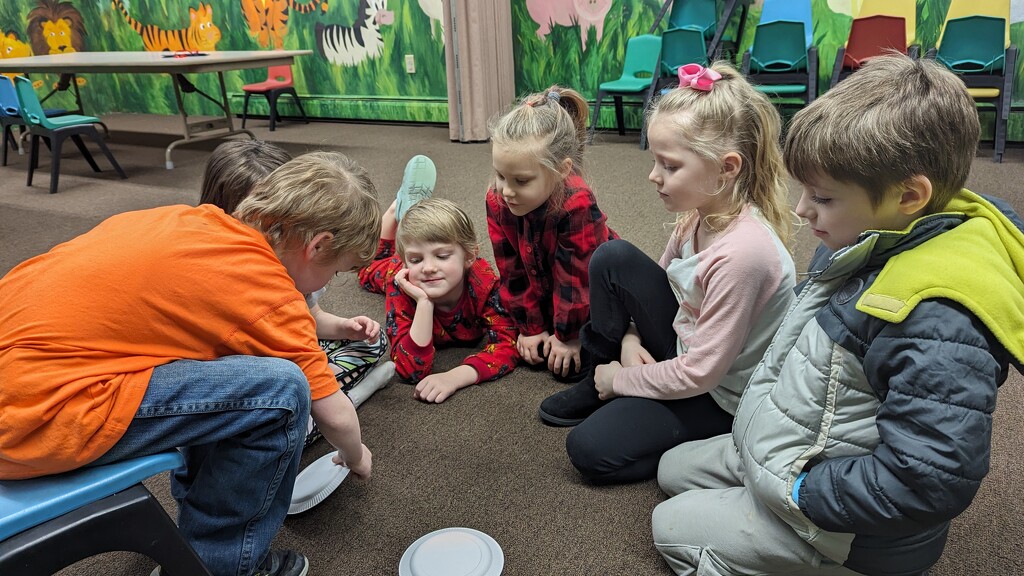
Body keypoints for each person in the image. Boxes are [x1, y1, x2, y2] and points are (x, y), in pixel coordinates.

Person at [652, 54, 1024, 576]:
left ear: (909, 196)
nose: (802, 211)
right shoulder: (862, 230)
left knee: (668, 524)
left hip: (851, 532)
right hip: (798, 441)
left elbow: (927, 479)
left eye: (822, 197)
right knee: (671, 468)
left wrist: (802, 491)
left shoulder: (936, 323)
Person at [0, 151, 381, 576]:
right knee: (283, 391)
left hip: (20, 376)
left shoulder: (184, 219)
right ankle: (220, 565)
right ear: (319, 245)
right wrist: (355, 456)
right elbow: (335, 415)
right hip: (32, 418)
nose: (331, 283)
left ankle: (201, 509)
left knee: (233, 365)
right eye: (338, 271)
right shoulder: (268, 292)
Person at [537, 63, 797, 486]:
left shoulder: (745, 254)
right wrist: (630, 337)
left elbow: (701, 374)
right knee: (612, 257)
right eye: (656, 161)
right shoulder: (700, 213)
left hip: (721, 394)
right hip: (690, 346)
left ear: (727, 168)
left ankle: (708, 445)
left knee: (589, 450)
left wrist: (623, 380)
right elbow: (653, 288)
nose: (653, 176)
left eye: (670, 166)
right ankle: (596, 378)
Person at [199, 140, 394, 447]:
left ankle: (326, 401)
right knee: (287, 406)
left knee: (373, 340)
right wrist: (337, 419)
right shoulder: (255, 280)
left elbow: (310, 318)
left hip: (281, 360)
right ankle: (338, 401)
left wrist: (344, 328)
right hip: (237, 381)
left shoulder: (292, 264)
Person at [486, 85, 619, 382]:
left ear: (561, 170)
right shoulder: (497, 200)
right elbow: (511, 269)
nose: (506, 191)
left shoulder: (576, 202)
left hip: (587, 292)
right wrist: (530, 327)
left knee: (582, 360)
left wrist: (568, 336)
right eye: (500, 175)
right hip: (542, 283)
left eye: (521, 181)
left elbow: (576, 277)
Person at [358, 169, 519, 403]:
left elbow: (508, 344)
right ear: (406, 262)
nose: (429, 268)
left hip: (426, 264)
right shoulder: (401, 282)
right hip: (395, 269)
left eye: (442, 256)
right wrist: (424, 303)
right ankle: (396, 210)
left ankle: (408, 215)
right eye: (416, 260)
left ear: (469, 257)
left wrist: (454, 377)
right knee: (365, 271)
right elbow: (410, 369)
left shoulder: (484, 285)